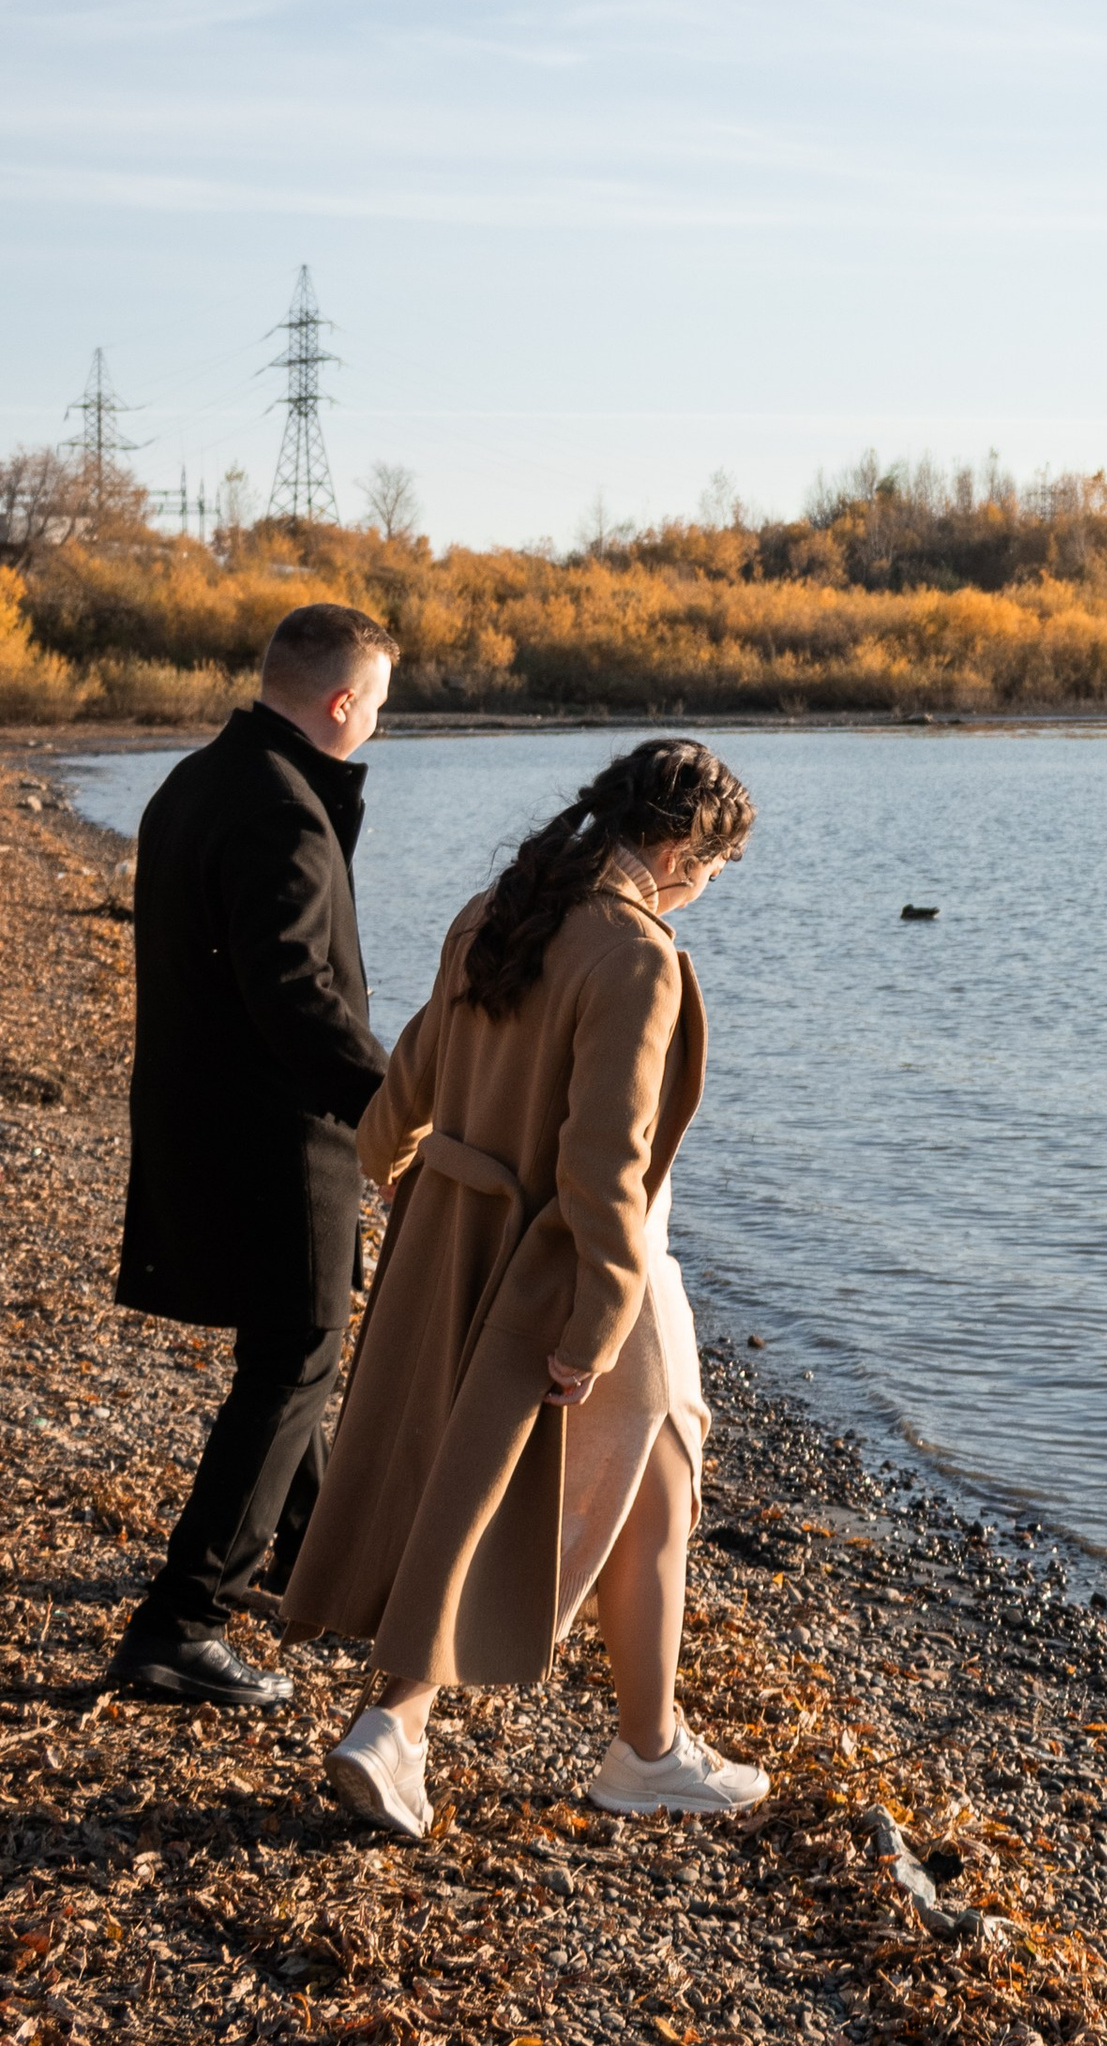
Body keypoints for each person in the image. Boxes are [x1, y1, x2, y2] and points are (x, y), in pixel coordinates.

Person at [282, 737, 767, 1839]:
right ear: (685, 847)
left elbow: (413, 1071)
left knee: (618, 1482)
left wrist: (401, 1166)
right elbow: (608, 1163)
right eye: (716, 871)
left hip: (458, 1230)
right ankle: (410, 1724)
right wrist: (598, 1317)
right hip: (584, 1263)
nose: (707, 892)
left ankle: (639, 1744)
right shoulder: (637, 954)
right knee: (544, 1489)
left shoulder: (501, 906)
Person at [110, 602, 400, 1708]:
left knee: (291, 1353)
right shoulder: (281, 811)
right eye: (376, 701)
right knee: (294, 1359)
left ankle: (308, 1553)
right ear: (340, 702)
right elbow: (294, 995)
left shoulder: (195, 779)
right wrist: (391, 1109)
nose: (378, 718)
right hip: (274, 1137)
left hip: (205, 1118)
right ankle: (181, 1620)